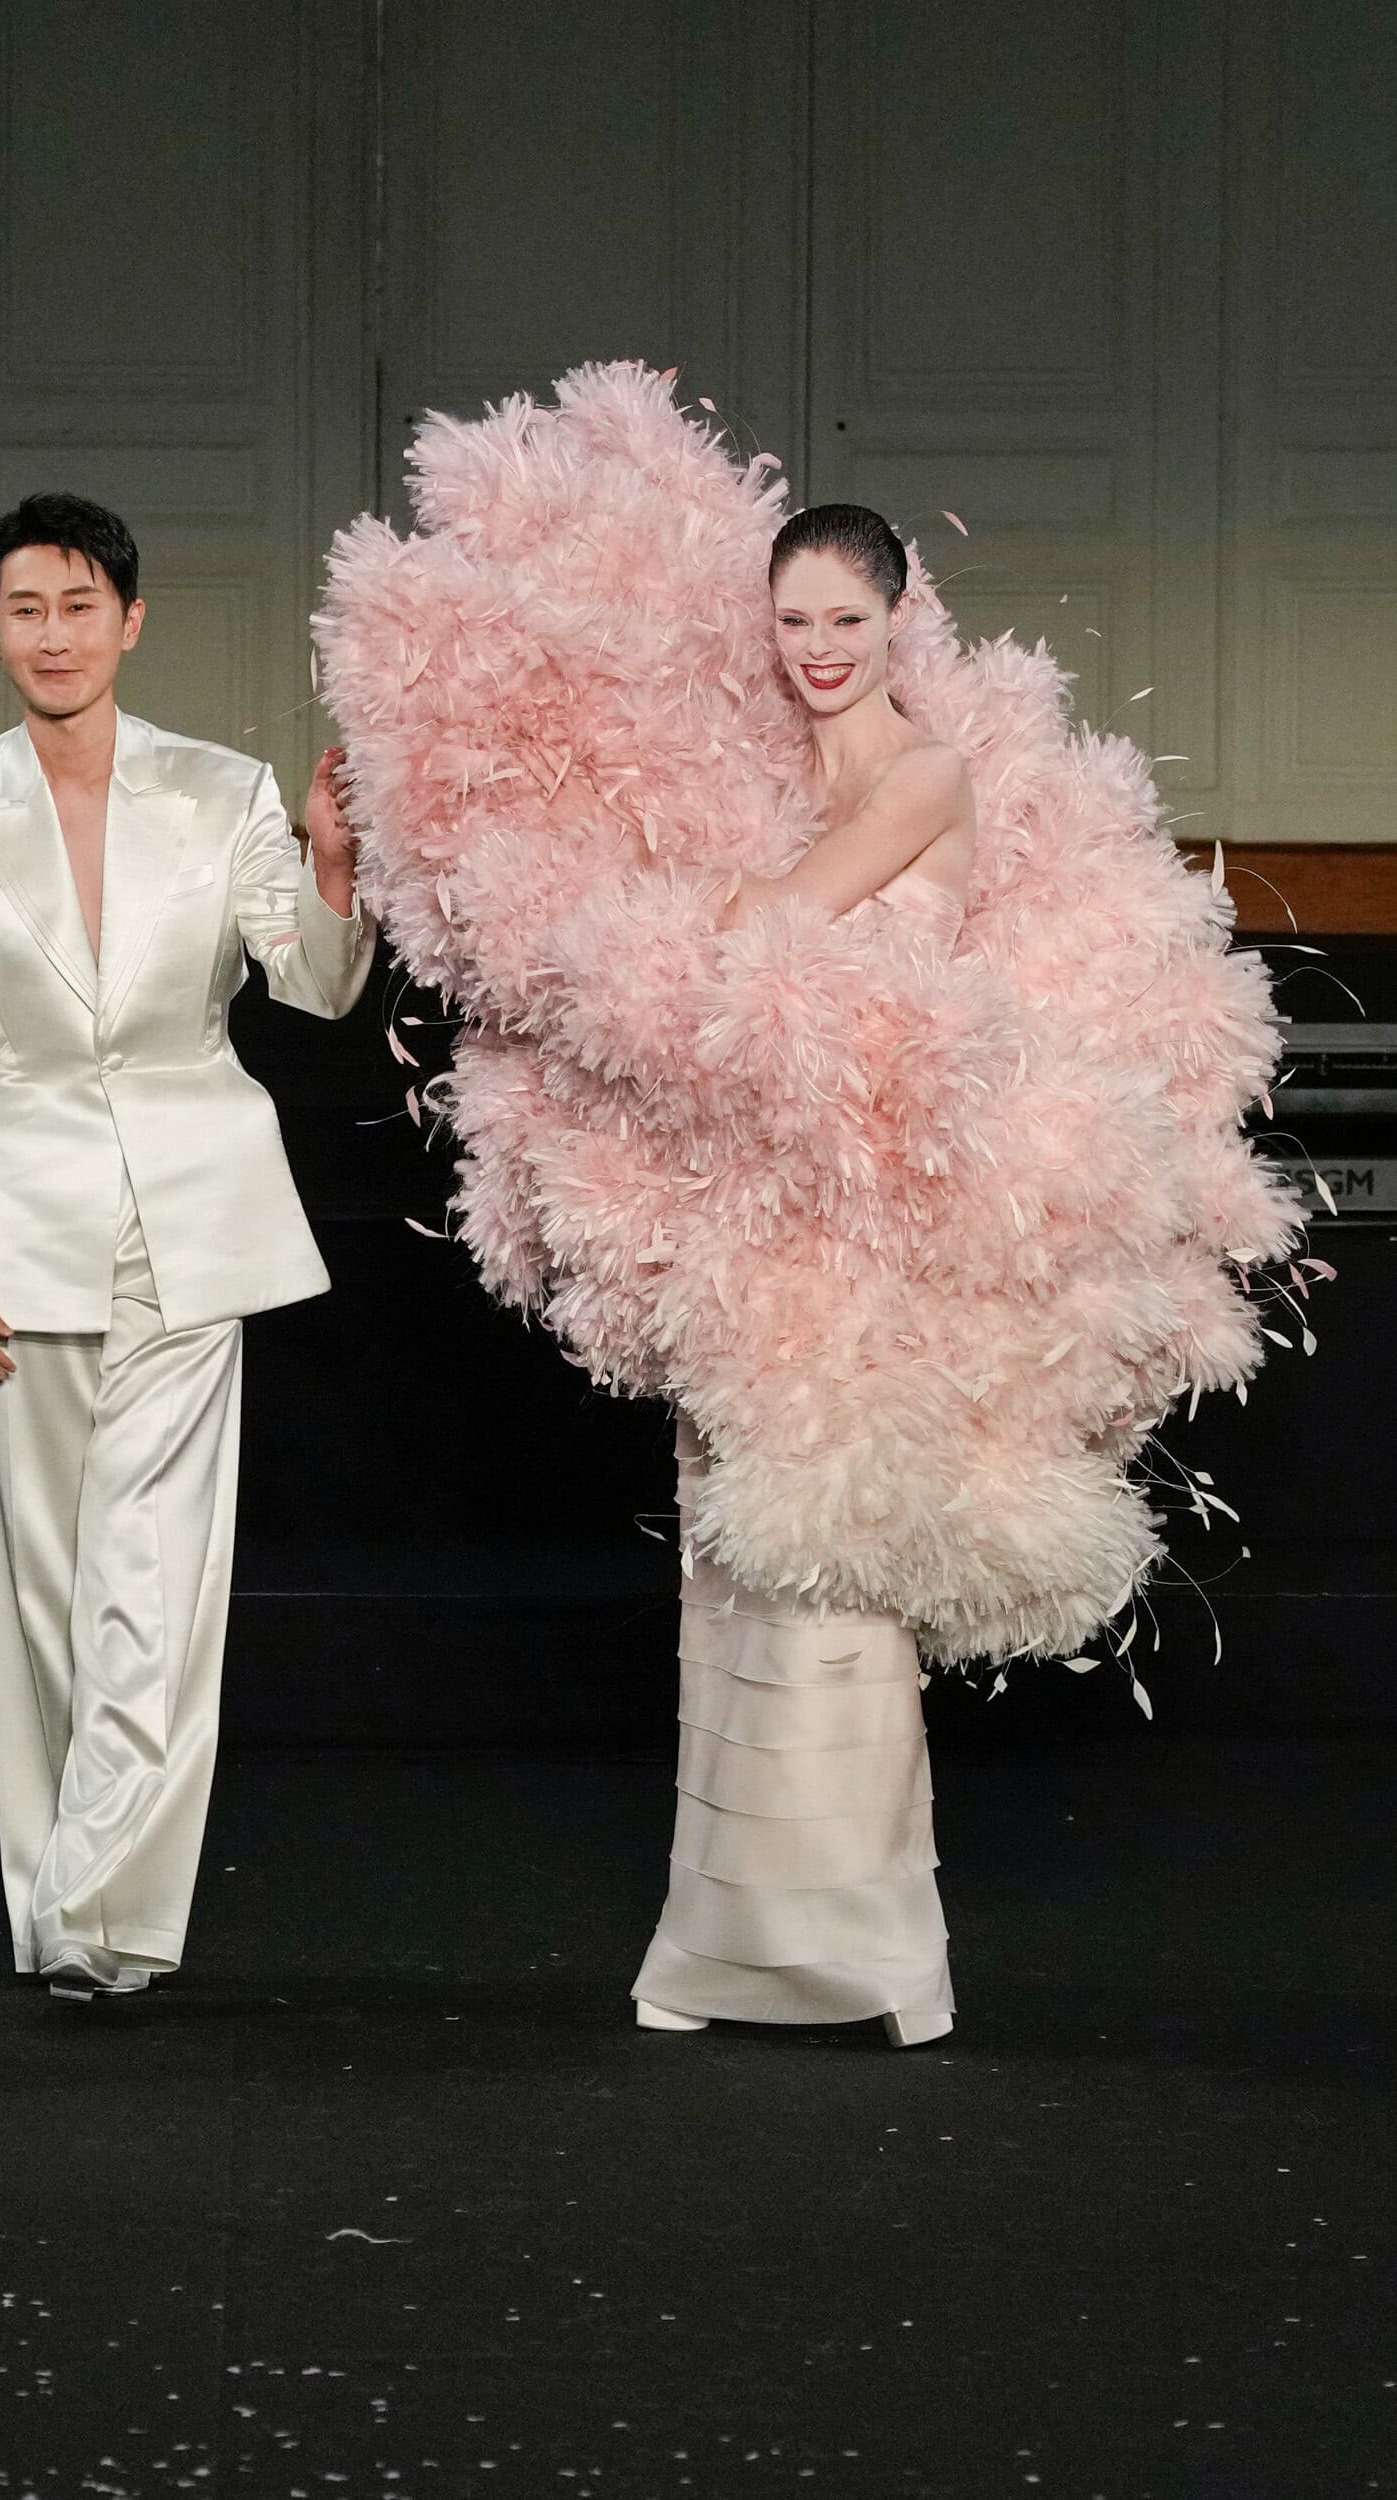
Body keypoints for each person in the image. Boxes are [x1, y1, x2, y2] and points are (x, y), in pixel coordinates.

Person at [0, 491, 374, 2001]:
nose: (55, 635)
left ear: (131, 623)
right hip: (14, 1226)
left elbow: (317, 987)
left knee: (146, 1574)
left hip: (191, 1217)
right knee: (45, 1589)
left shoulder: (222, 790)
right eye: (27, 608)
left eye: (80, 605)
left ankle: (108, 1910)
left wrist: (335, 865)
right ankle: (63, 1910)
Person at [631, 504, 972, 2044]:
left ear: (900, 615)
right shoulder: (772, 782)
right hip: (750, 1201)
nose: (819, 649)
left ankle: (874, 1961)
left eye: (846, 618)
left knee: (834, 1550)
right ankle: (719, 1951)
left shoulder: (926, 776)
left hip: (868, 1208)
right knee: (732, 1554)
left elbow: (763, 931)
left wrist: (699, 919)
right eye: (793, 622)